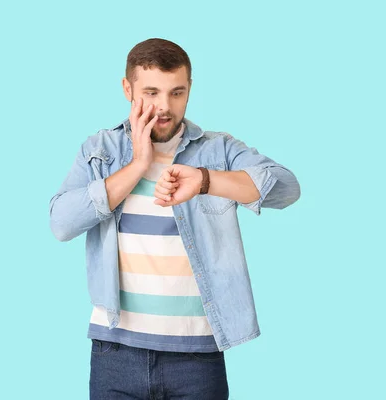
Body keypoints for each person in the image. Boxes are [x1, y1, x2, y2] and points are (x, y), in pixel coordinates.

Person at [49, 38, 301, 400]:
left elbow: (286, 189)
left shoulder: (218, 150)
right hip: (115, 353)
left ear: (190, 90)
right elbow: (61, 223)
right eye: (151, 92)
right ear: (127, 89)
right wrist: (138, 164)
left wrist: (206, 180)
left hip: (197, 357)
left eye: (176, 93)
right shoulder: (100, 151)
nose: (164, 107)